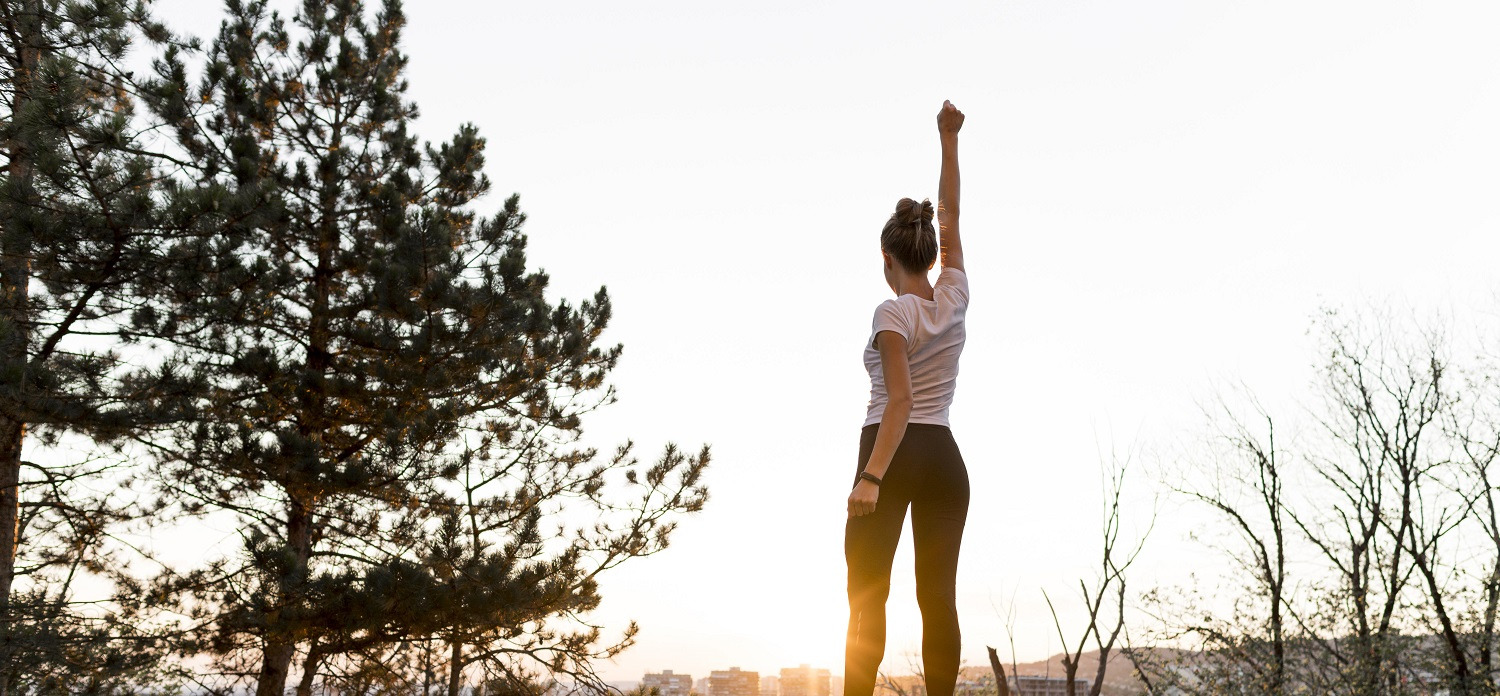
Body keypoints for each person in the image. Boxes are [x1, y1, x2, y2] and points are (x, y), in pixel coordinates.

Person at [845, 100, 969, 696]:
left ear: (888, 258)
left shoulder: (890, 312)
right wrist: (948, 139)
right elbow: (951, 213)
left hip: (891, 452)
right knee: (937, 600)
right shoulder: (954, 293)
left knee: (867, 595)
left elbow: (898, 401)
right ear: (928, 252)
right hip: (945, 458)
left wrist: (871, 477)